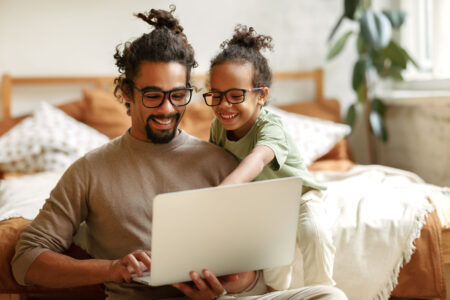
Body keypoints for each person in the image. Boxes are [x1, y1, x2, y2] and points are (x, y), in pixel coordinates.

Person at [11, 7, 347, 300]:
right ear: (127, 93)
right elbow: (26, 261)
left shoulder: (220, 161)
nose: (168, 109)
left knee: (329, 295)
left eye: (179, 95)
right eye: (154, 96)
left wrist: (231, 284)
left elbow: (256, 276)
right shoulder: (89, 170)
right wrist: (112, 269)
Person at [202, 25, 337, 292]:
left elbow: (257, 159)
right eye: (216, 95)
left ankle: (322, 291)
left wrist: (224, 190)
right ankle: (278, 295)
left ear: (261, 96)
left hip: (300, 196)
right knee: (274, 265)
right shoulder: (217, 128)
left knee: (314, 233)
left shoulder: (270, 125)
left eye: (235, 95)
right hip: (266, 204)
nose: (223, 105)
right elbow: (210, 163)